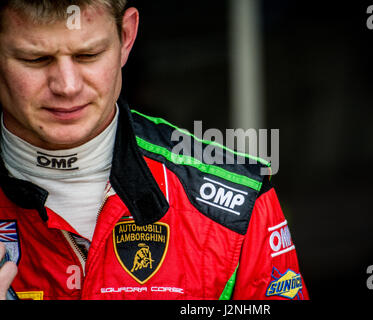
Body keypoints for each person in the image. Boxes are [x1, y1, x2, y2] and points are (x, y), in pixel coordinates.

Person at [0, 0, 309, 300]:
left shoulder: (238, 198)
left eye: (88, 55)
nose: (67, 86)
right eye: (35, 59)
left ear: (126, 37)